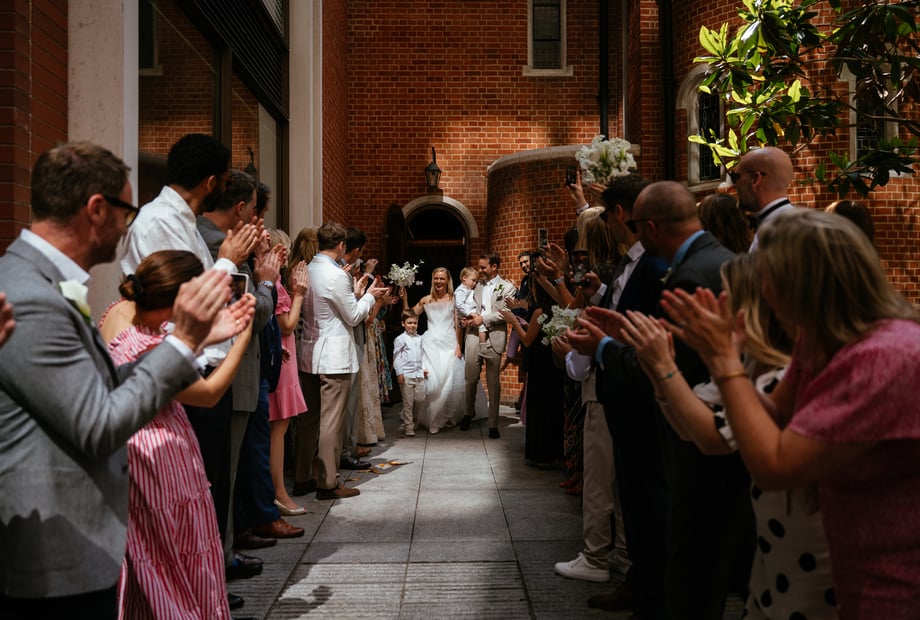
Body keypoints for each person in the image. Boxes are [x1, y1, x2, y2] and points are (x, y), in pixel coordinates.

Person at [0, 141, 251, 619]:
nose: (128, 226)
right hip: (54, 551)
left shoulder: (44, 283)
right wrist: (181, 343)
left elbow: (94, 384)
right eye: (126, 211)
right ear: (97, 209)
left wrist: (191, 344)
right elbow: (97, 425)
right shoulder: (32, 297)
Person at [662, 208, 920, 619]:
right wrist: (721, 360)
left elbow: (776, 467)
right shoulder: (819, 342)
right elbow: (775, 413)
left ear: (802, 285)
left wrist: (725, 363)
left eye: (768, 278)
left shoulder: (883, 357)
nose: (762, 292)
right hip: (851, 572)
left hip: (894, 585)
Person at [570, 181, 753, 619]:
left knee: (688, 556)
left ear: (650, 227)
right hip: (705, 421)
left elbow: (666, 363)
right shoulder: (719, 259)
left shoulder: (689, 274)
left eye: (636, 226)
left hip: (693, 430)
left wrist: (601, 347)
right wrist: (624, 330)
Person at [618, 252, 835, 619]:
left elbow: (710, 436)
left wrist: (667, 367)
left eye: (723, 303)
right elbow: (691, 425)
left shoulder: (783, 375)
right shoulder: (754, 365)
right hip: (774, 563)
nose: (713, 316)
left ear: (748, 313)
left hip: (804, 569)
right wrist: (659, 372)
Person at [104, 250, 256, 619]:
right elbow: (208, 393)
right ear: (182, 298)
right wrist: (240, 340)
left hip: (133, 453)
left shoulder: (118, 314)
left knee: (148, 557)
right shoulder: (152, 343)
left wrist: (207, 336)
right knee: (177, 552)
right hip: (159, 461)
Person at [297, 222, 389, 499]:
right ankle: (327, 483)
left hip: (308, 351)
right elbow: (353, 315)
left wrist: (356, 293)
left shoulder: (307, 268)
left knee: (309, 420)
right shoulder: (336, 274)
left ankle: (303, 477)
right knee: (331, 422)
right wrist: (369, 297)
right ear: (340, 245)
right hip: (333, 357)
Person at [500, 271, 565, 464]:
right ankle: (552, 452)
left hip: (539, 363)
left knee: (540, 408)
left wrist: (513, 321)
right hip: (549, 362)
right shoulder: (553, 308)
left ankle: (541, 453)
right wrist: (526, 324)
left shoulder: (538, 310)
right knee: (550, 407)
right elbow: (538, 331)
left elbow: (527, 341)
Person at [266, 228, 310, 516]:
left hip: (285, 355)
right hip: (281, 358)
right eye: (283, 249)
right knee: (278, 428)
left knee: (280, 426)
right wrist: (300, 294)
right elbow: (287, 325)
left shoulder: (277, 284)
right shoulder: (277, 286)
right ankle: (278, 492)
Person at [402, 266, 468, 433]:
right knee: (432, 381)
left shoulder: (454, 300)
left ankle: (444, 417)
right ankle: (432, 417)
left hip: (449, 343)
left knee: (450, 379)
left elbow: (458, 325)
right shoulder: (426, 300)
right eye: (436, 278)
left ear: (447, 281)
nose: (438, 281)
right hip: (430, 343)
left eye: (442, 278)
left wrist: (459, 345)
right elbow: (410, 315)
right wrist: (404, 298)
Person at [459, 253, 517, 438]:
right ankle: (468, 412)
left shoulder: (507, 287)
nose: (480, 270)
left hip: (495, 336)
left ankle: (493, 424)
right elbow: (466, 304)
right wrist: (466, 320)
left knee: (493, 382)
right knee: (470, 379)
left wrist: (483, 319)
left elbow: (505, 312)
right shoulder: (476, 285)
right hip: (474, 335)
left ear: (494, 266)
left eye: (483, 267)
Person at [289, 227, 322, 497]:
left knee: (299, 414)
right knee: (309, 414)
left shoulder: (291, 269)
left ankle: (299, 466)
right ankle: (304, 470)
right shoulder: (307, 273)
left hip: (294, 346)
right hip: (302, 346)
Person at [729, 146, 795, 249]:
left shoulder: (774, 235)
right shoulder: (795, 226)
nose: (734, 185)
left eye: (736, 177)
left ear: (755, 179)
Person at [392, 309, 428, 436]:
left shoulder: (420, 339)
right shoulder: (400, 339)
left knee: (420, 399)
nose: (412, 325)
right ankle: (409, 426)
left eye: (415, 323)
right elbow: (397, 356)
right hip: (406, 374)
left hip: (418, 374)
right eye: (409, 323)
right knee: (408, 402)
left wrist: (424, 368)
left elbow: (422, 355)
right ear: (403, 324)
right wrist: (399, 373)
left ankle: (414, 421)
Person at [454, 266, 482, 337]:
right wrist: (470, 313)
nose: (475, 283)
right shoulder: (461, 290)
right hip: (467, 314)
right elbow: (459, 304)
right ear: (464, 278)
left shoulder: (468, 289)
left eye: (476, 282)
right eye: (473, 280)